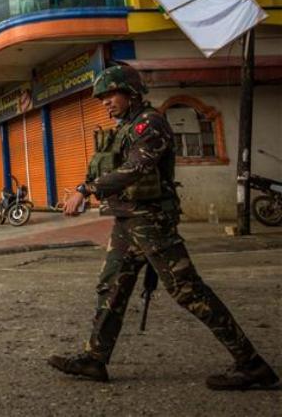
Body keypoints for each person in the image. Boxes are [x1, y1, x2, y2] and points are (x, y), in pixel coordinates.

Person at [49, 63, 278, 390]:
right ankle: (94, 359)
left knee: (187, 290)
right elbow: (114, 168)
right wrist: (87, 189)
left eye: (110, 94)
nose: (105, 102)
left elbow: (135, 169)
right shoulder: (125, 127)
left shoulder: (150, 124)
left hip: (151, 221)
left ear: (129, 92)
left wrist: (88, 190)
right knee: (112, 287)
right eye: (101, 98)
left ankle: (251, 364)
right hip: (128, 221)